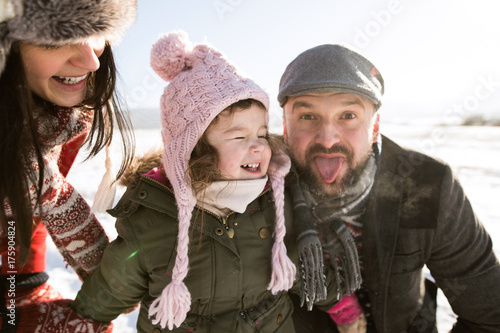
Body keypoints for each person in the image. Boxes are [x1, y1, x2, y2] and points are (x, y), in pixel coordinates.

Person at [70, 31, 366, 333]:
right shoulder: (152, 218)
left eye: (262, 135)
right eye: (239, 136)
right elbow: (114, 285)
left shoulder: (272, 202)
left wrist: (342, 307)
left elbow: (298, 264)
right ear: (194, 147)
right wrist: (79, 318)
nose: (258, 147)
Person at [278, 43, 500, 332]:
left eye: (348, 116)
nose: (328, 138)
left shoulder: (428, 185)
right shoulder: (254, 189)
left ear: (374, 127)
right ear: (285, 127)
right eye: (308, 116)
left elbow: (488, 315)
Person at [0, 0, 136, 331]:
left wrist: (23, 292)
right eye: (59, 39)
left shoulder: (58, 118)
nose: (90, 59)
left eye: (98, 33)